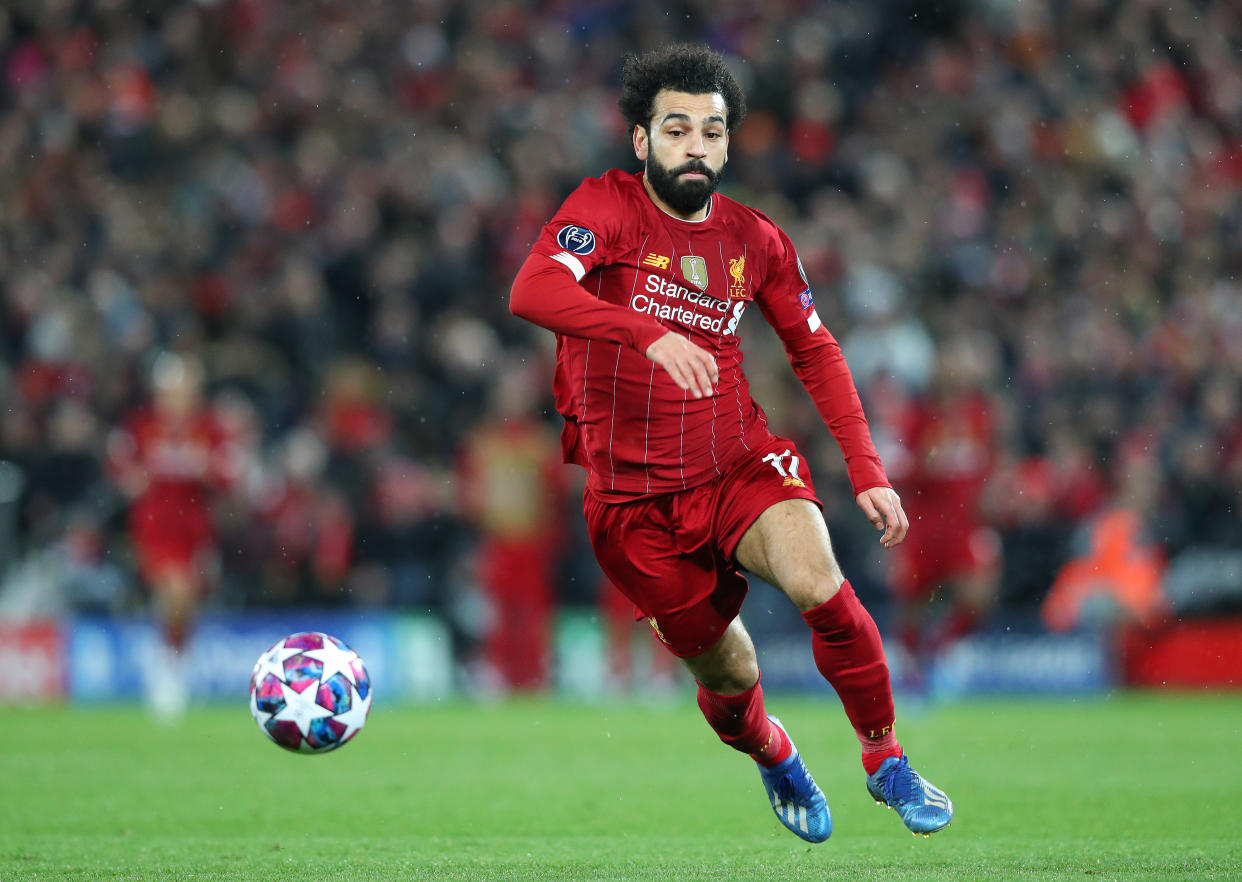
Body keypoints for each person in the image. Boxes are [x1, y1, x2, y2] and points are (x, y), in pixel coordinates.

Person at [509, 43, 953, 841]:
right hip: (632, 507)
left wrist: (867, 467)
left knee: (820, 582)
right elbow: (532, 288)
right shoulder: (603, 208)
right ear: (642, 141)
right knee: (732, 672)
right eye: (676, 129)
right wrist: (644, 332)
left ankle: (885, 761)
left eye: (712, 132)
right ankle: (775, 753)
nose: (696, 146)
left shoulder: (757, 239)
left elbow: (815, 350)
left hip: (736, 463)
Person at [107, 352, 240, 720]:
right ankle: (168, 671)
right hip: (155, 525)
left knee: (187, 601)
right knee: (176, 589)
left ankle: (172, 662)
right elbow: (119, 463)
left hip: (195, 528)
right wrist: (132, 478)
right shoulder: (142, 426)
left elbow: (229, 475)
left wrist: (205, 468)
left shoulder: (209, 428)